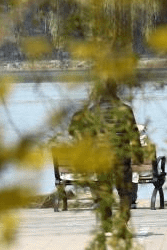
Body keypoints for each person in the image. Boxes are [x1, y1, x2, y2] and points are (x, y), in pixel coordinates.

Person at [68, 79, 143, 239]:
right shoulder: (126, 110)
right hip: (121, 156)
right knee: (124, 192)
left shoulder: (93, 111)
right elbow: (134, 136)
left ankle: (107, 224)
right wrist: (139, 156)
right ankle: (122, 224)